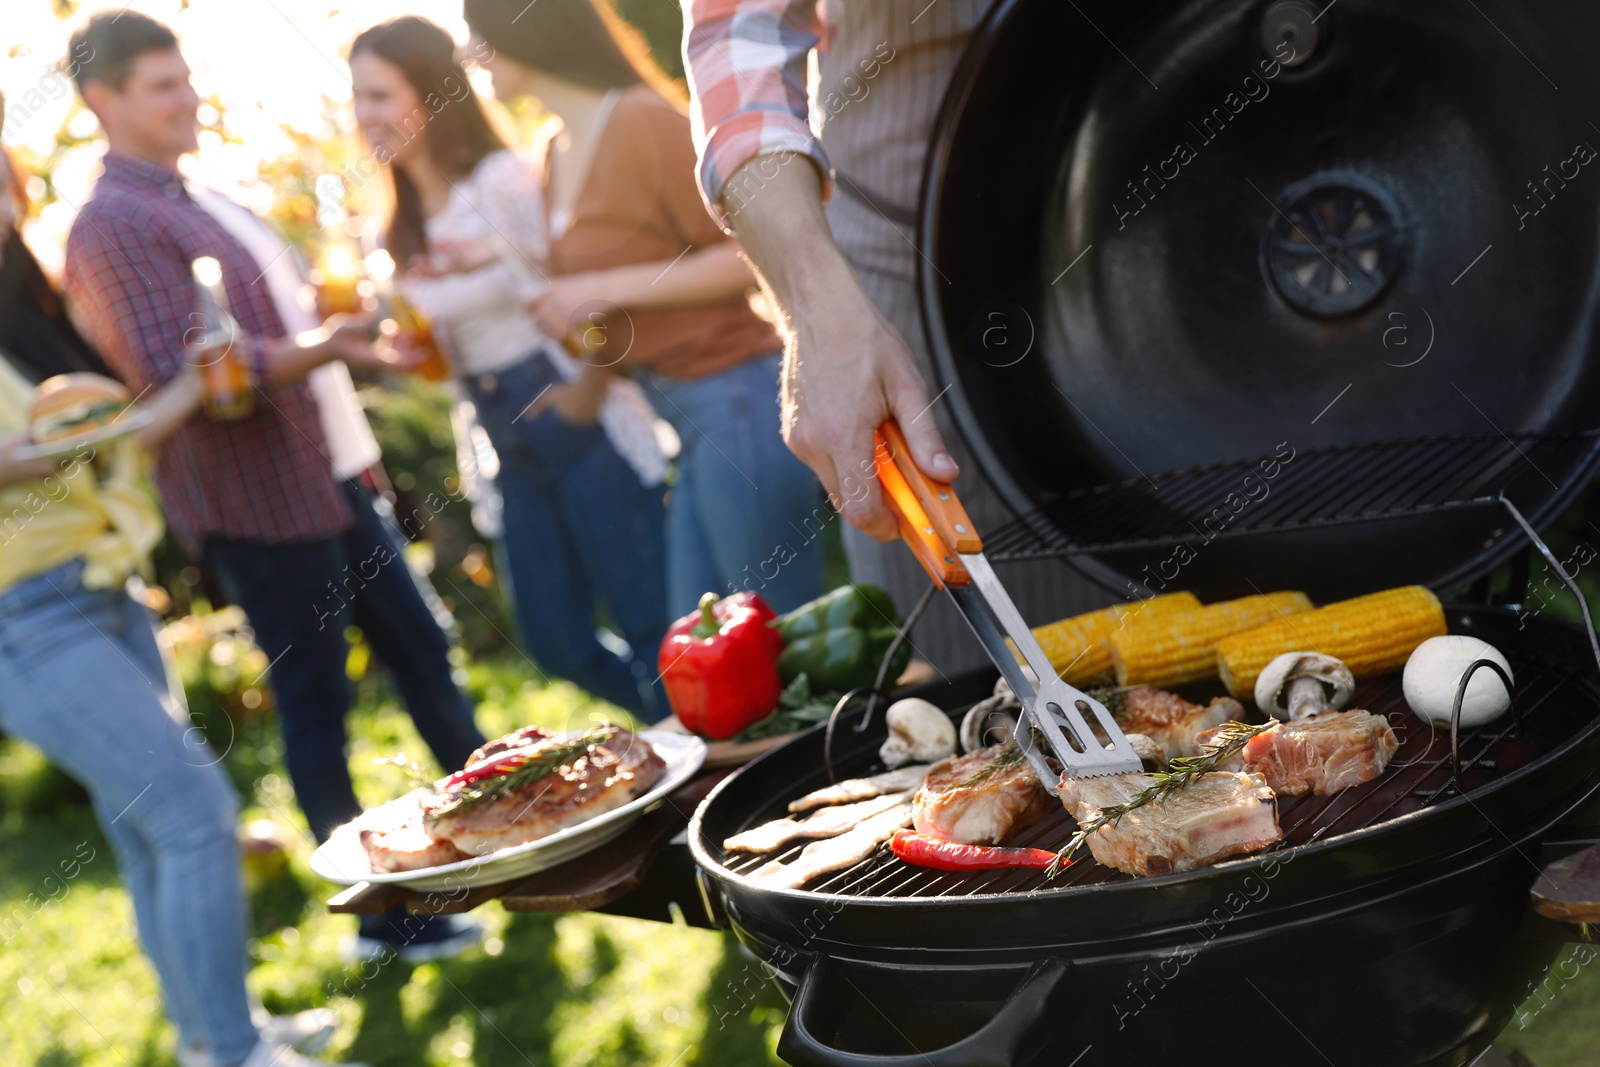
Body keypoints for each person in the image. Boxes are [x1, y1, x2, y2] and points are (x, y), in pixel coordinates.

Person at [58, 11, 481, 960]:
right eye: (161, 85)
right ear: (102, 100)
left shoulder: (194, 196)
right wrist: (323, 346)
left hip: (328, 478)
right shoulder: (112, 221)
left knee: (426, 655)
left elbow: (267, 336)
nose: (188, 97)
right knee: (318, 705)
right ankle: (383, 917)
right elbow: (190, 374)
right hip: (259, 507)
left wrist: (350, 342)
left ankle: (521, 844)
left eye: (185, 77)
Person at [0, 107, 352, 1067]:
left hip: (103, 586)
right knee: (194, 813)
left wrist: (197, 381)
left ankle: (216, 1034)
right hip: (21, 617)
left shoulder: (25, 299)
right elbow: (34, 453)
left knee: (149, 830)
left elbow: (105, 436)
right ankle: (233, 1057)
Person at [683, 2, 1110, 672]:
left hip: (1202, 228)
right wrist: (817, 312)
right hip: (910, 288)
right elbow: (739, 43)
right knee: (977, 705)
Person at [459, 0, 826, 618]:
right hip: (682, 419)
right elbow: (609, 285)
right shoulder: (552, 152)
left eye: (479, 34)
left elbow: (748, 255)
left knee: (780, 648)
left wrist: (605, 289)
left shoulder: (641, 120)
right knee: (701, 653)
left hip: (736, 396)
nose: (471, 54)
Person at [349, 15, 670, 718]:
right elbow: (438, 355)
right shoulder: (393, 226)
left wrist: (587, 391)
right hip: (501, 429)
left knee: (655, 624)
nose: (364, 115)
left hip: (567, 404)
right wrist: (406, 352)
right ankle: (679, 738)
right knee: (555, 640)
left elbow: (585, 294)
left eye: (380, 95)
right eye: (358, 98)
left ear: (432, 93)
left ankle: (707, 761)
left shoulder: (500, 181)